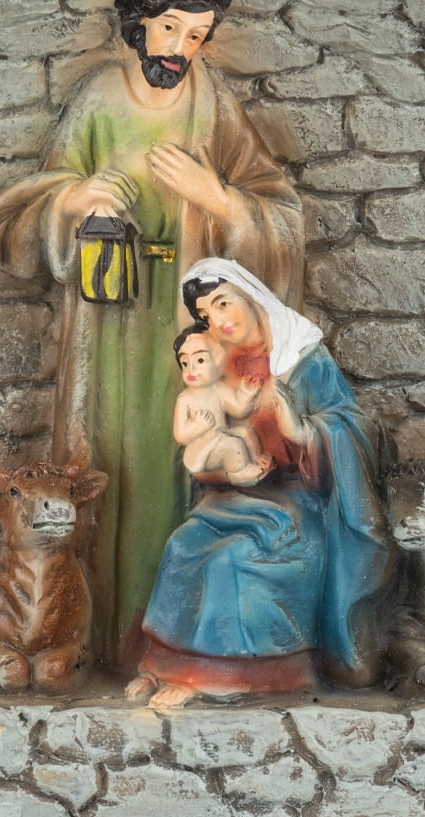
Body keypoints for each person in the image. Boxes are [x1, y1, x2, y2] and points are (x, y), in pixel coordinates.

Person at [0, 0, 302, 666]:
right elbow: (15, 218)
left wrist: (218, 200)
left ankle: (167, 645)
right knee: (103, 453)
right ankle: (89, 640)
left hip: (185, 327)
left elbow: (280, 213)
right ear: (140, 25)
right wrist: (75, 198)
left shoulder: (211, 102)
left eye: (198, 36)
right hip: (107, 319)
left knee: (178, 456)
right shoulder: (101, 96)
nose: (181, 48)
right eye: (171, 29)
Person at [127, 259, 390, 711]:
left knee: (233, 560)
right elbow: (208, 436)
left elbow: (353, 428)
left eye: (223, 303)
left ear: (250, 296)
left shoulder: (303, 358)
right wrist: (222, 466)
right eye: (207, 315)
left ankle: (224, 675)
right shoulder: (220, 365)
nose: (220, 321)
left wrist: (303, 430)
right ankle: (167, 667)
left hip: (299, 506)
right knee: (182, 545)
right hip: (234, 497)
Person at [171, 328, 274, 488]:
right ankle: (240, 474)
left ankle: (256, 459)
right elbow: (180, 435)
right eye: (185, 363)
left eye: (200, 360)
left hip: (220, 435)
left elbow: (238, 409)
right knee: (232, 445)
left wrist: (246, 393)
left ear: (217, 362)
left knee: (245, 433)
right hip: (201, 451)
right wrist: (198, 426)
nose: (191, 369)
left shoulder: (218, 388)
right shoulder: (185, 399)